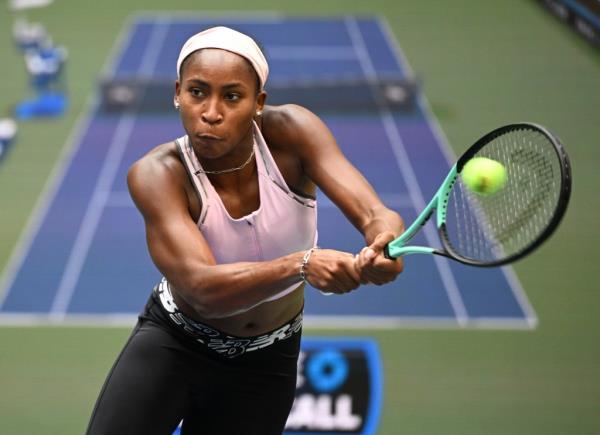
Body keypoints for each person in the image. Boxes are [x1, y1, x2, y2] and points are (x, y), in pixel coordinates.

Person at [86, 26, 404, 435]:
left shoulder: (292, 133)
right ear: (177, 92)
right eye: (197, 92)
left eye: (232, 96)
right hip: (175, 345)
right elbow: (203, 290)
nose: (211, 112)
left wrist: (384, 244)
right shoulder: (157, 174)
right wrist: (301, 264)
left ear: (258, 102)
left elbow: (377, 213)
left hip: (267, 363)